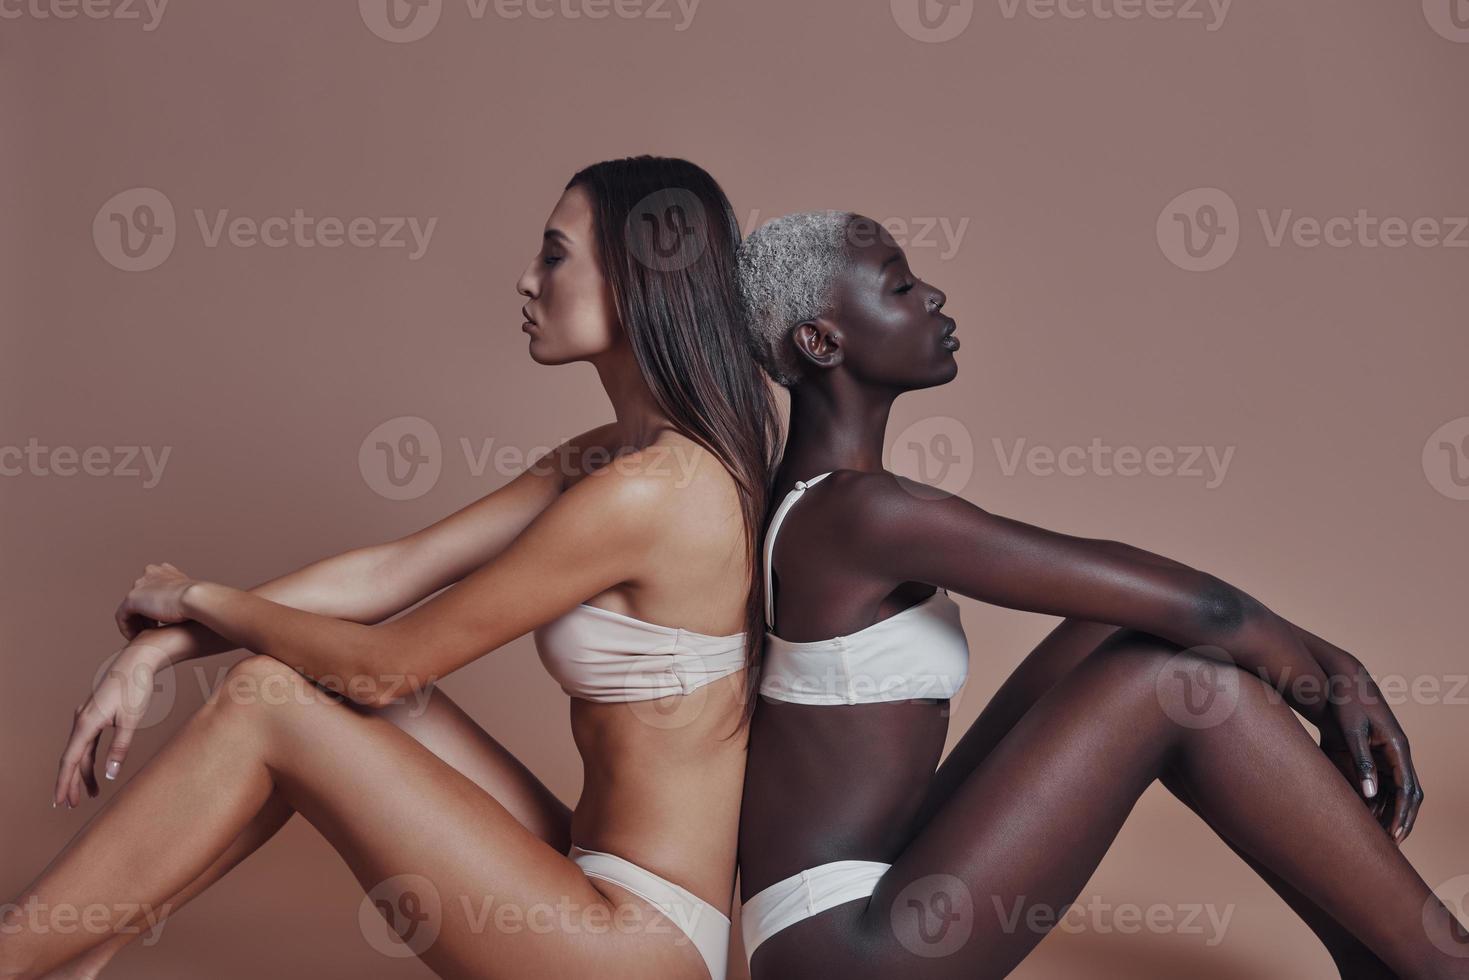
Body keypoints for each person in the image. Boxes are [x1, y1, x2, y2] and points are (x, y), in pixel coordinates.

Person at [1, 156, 780, 980]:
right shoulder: (613, 458)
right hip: (586, 873)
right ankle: (77, 957)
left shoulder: (653, 490)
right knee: (297, 678)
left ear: (634, 280)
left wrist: (194, 595)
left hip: (638, 947)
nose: (524, 280)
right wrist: (156, 648)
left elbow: (384, 666)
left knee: (276, 698)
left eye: (553, 255)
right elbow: (393, 571)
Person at [732, 210, 1467, 979]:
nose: (934, 295)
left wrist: (1321, 668)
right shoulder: (861, 513)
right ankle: (1440, 962)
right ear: (820, 342)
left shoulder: (826, 500)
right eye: (900, 285)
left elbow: (1156, 600)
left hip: (871, 890)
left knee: (1107, 633)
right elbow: (1206, 611)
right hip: (846, 951)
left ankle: (1375, 957)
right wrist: (1335, 680)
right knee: (1173, 679)